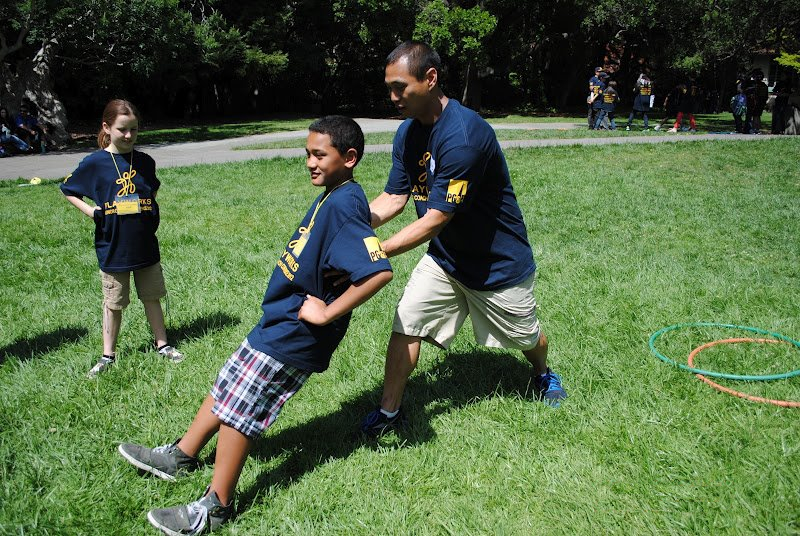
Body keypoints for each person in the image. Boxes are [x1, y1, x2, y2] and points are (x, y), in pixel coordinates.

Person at [117, 115, 393, 535]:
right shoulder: (336, 194)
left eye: (320, 155)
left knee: (241, 408)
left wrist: (326, 313)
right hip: (279, 318)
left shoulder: (344, 205)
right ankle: (182, 454)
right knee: (229, 383)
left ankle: (217, 505)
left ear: (349, 158)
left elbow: (378, 272)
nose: (310, 163)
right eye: (307, 154)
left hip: (297, 333)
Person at [360, 41, 567, 438]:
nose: (392, 97)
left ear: (431, 78)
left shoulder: (464, 136)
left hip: (496, 263)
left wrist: (377, 249)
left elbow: (436, 218)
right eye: (389, 87)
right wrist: (353, 225)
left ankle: (543, 373)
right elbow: (395, 197)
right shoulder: (407, 134)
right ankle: (389, 412)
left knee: (527, 337)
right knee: (407, 321)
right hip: (445, 258)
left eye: (400, 87)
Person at [60, 99, 185, 377]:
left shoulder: (144, 161)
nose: (129, 136)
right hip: (113, 246)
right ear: (107, 127)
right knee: (114, 302)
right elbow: (68, 189)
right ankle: (108, 355)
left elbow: (151, 192)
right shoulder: (94, 163)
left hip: (144, 244)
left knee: (152, 296)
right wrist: (92, 211)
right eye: (122, 130)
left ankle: (162, 344)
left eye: (134, 130)